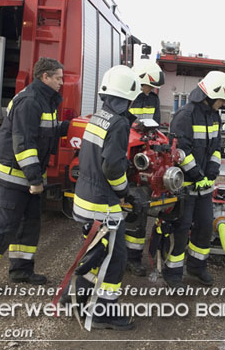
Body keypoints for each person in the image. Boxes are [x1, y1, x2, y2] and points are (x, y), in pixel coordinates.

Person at [0, 57, 69, 289]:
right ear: (45, 77)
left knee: (28, 224)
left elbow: (47, 132)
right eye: (58, 78)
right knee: (2, 226)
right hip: (12, 176)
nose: (62, 83)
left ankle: (21, 270)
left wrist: (74, 126)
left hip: (26, 176)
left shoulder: (44, 100)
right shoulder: (31, 101)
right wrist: (34, 179)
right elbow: (24, 144)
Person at [71, 65, 140, 331]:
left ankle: (76, 298)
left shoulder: (99, 116)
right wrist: (125, 192)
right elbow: (112, 168)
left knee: (97, 253)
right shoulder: (120, 122)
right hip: (103, 204)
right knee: (115, 258)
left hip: (86, 198)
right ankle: (102, 313)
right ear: (129, 95)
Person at [163, 71, 225, 288]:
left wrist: (212, 172)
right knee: (181, 229)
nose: (223, 104)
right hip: (184, 187)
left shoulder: (214, 117)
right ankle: (173, 273)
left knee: (204, 226)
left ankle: (196, 268)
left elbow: (215, 148)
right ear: (211, 94)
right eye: (222, 99)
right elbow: (181, 152)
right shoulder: (185, 116)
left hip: (203, 186)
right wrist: (197, 175)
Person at [124, 61, 165, 276]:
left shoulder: (153, 99)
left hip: (141, 159)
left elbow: (155, 125)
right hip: (123, 156)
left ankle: (133, 258)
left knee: (138, 212)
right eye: (147, 86)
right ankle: (112, 257)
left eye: (152, 87)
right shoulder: (126, 96)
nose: (150, 90)